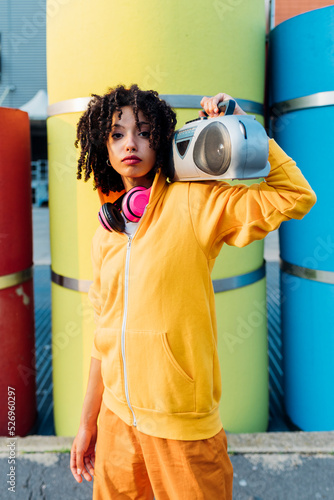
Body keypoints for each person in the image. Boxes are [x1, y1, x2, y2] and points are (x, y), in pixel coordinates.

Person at [70, 84, 316, 500]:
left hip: (182, 426)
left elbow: (295, 196)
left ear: (162, 140)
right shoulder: (106, 233)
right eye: (117, 133)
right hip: (116, 423)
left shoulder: (196, 201)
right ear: (103, 147)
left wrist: (245, 126)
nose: (131, 143)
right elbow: (103, 335)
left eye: (145, 132)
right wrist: (88, 422)